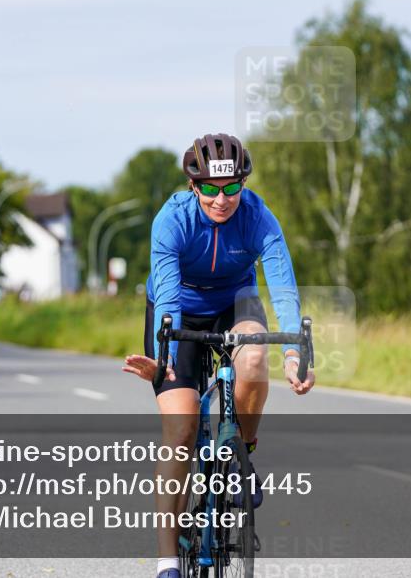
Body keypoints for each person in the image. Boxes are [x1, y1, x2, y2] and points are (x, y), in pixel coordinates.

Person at [122, 133, 315, 578]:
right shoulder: (171, 220)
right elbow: (168, 297)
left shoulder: (258, 216)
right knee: (182, 427)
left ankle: (242, 455)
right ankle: (167, 559)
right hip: (180, 309)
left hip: (235, 301)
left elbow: (282, 284)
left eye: (231, 188)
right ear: (195, 186)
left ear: (243, 184)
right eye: (210, 188)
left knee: (250, 359)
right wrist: (165, 358)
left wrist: (292, 355)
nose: (221, 199)